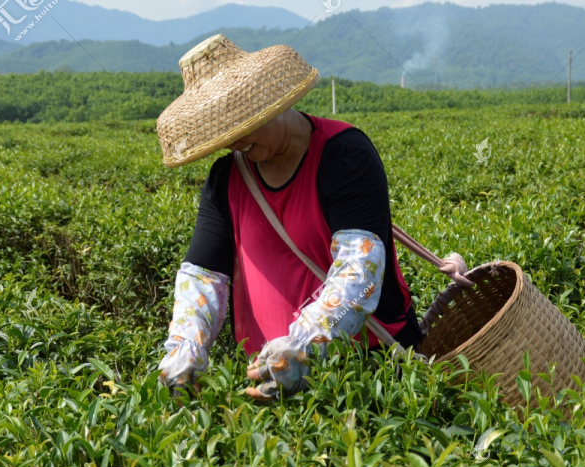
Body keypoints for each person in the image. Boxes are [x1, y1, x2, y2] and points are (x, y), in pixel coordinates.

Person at [154, 34, 463, 400]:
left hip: (365, 371)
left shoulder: (344, 155)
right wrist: (185, 349)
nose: (235, 142)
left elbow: (359, 270)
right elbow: (203, 277)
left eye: (242, 124)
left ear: (270, 103)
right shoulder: (226, 178)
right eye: (225, 132)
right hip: (268, 375)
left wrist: (304, 346)